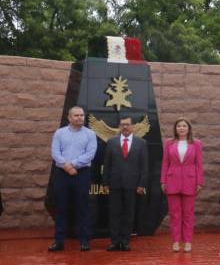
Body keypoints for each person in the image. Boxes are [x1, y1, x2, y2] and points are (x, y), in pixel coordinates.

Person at [49, 106, 97, 251]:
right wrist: (67, 167)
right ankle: (59, 241)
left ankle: (84, 241)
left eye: (82, 115)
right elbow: (55, 152)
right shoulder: (60, 133)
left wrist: (74, 164)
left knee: (83, 208)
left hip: (81, 174)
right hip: (63, 174)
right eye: (76, 115)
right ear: (69, 118)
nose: (79, 118)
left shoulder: (90, 134)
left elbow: (90, 154)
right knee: (61, 208)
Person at [103, 114, 149, 251]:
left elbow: (144, 166)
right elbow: (107, 165)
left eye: (127, 124)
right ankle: (114, 241)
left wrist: (142, 184)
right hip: (114, 184)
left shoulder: (141, 143)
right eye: (122, 124)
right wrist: (105, 183)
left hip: (133, 185)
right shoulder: (111, 142)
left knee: (129, 214)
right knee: (114, 213)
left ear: (132, 126)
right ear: (119, 127)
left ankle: (125, 241)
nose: (125, 127)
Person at [160, 117, 204, 252]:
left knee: (188, 214)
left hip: (190, 181)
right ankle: (176, 241)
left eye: (184, 126)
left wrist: (199, 181)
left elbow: (199, 164)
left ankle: (188, 241)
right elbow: (165, 163)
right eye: (179, 126)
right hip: (172, 181)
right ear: (175, 128)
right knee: (175, 214)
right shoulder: (169, 143)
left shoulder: (196, 143)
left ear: (189, 128)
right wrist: (163, 181)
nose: (181, 128)